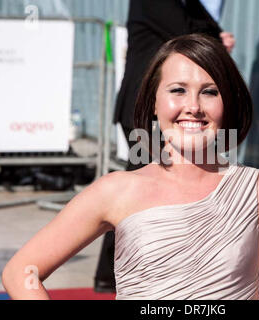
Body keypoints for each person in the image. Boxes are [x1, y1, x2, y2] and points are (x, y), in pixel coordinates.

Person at [2, 34, 259, 300]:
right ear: (154, 102)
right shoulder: (117, 190)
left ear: (229, 103)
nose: (193, 106)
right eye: (178, 90)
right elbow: (21, 273)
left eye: (210, 92)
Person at [96, 0, 235, 293]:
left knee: (147, 181)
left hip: (161, 111)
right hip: (145, 110)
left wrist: (217, 37)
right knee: (142, 184)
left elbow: (206, 26)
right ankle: (112, 272)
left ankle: (113, 273)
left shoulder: (188, 4)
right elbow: (187, 33)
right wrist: (217, 42)